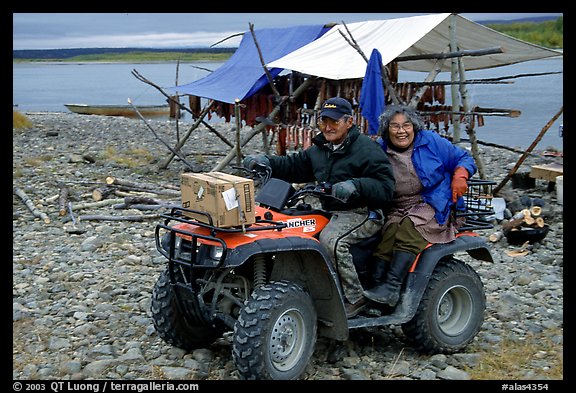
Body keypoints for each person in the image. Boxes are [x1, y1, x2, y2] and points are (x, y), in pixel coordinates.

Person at [244, 97, 395, 317]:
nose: (327, 126)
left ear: (349, 122)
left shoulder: (367, 149)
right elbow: (294, 165)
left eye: (334, 121)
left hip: (362, 212)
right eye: (323, 121)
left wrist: (356, 185)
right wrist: (266, 161)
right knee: (290, 229)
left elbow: (386, 187)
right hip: (330, 210)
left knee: (331, 241)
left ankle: (356, 297)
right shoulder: (320, 148)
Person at [364, 104, 477, 307]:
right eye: (395, 126)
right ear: (386, 129)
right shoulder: (380, 149)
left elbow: (463, 157)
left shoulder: (431, 142)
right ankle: (375, 291)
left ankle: (391, 288)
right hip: (399, 204)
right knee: (388, 234)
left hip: (435, 200)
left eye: (406, 125)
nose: (401, 131)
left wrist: (460, 175)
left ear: (414, 127)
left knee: (409, 229)